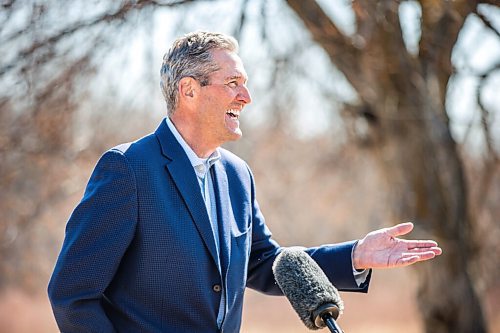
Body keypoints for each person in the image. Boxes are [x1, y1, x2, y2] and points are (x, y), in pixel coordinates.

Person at [48, 31, 442, 333]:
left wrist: (356, 255)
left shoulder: (237, 175)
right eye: (233, 83)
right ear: (189, 90)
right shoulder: (128, 169)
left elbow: (266, 264)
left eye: (245, 83)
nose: (246, 96)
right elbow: (71, 294)